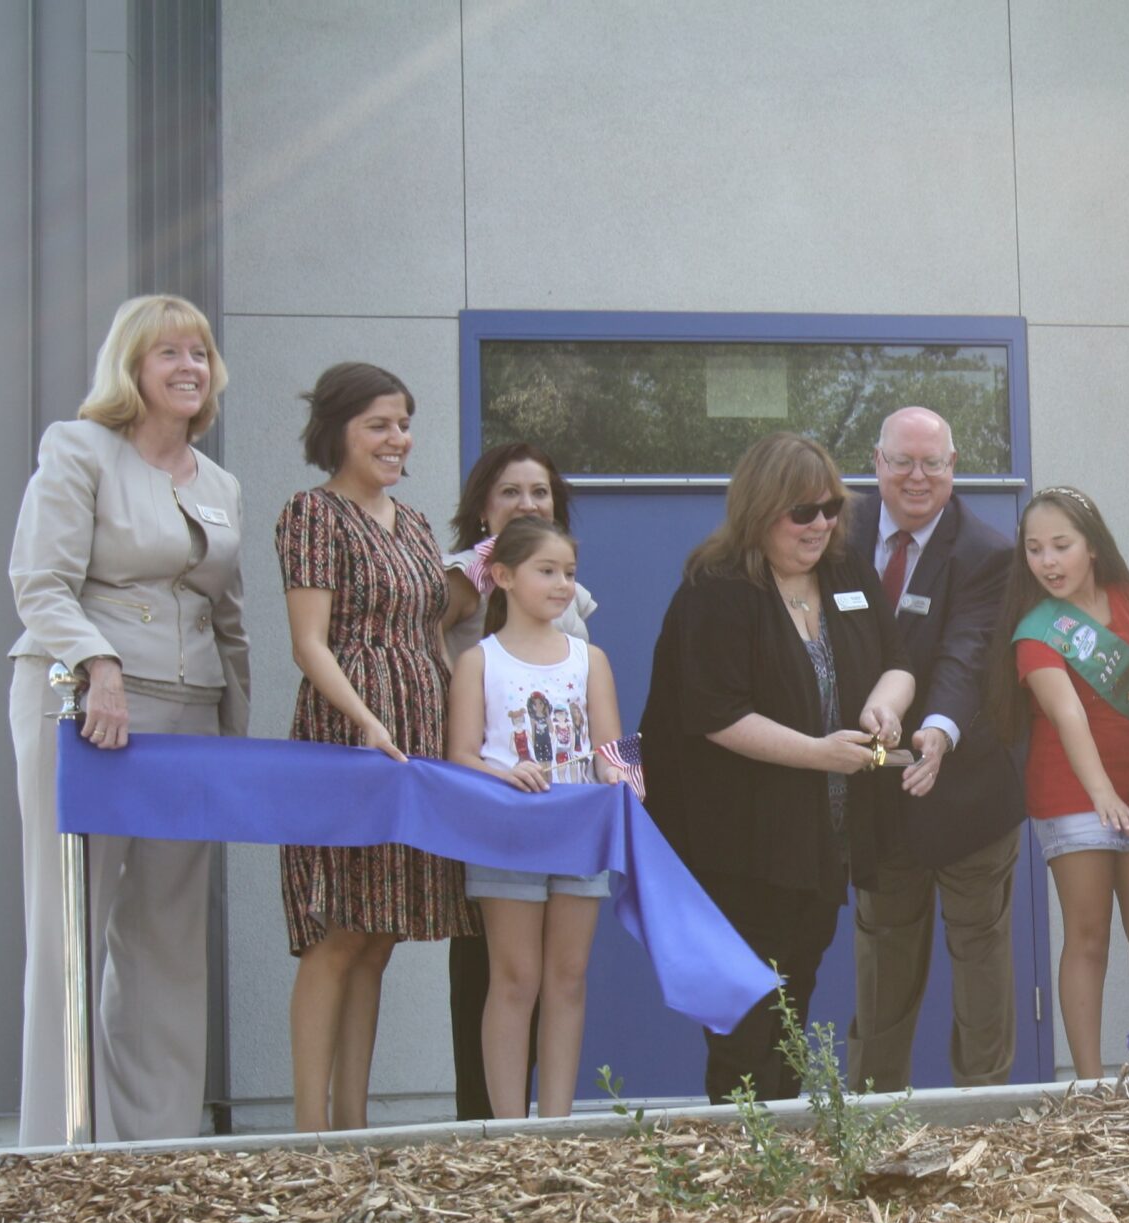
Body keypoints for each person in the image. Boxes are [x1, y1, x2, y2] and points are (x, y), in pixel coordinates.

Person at [7, 293, 249, 1145]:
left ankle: (161, 1142)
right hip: (85, 706)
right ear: (132, 369)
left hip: (190, 715)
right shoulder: (78, 450)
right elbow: (39, 582)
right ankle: (65, 1140)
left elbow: (230, 620)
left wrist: (236, 741)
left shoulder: (220, 484)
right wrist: (95, 661)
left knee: (170, 932)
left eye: (199, 352)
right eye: (168, 353)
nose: (189, 367)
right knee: (70, 921)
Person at [640, 432, 915, 1103]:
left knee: (795, 996)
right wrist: (820, 751)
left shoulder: (845, 573)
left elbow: (899, 661)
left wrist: (884, 705)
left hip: (822, 844)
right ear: (760, 510)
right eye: (803, 512)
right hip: (737, 848)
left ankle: (782, 1147)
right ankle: (743, 1160)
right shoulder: (717, 590)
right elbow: (713, 713)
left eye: (830, 507)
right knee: (744, 1016)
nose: (821, 524)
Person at [275, 362, 475, 1133]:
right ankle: (308, 1131)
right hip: (349, 736)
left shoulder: (418, 524)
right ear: (339, 431)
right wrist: (365, 718)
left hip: (416, 737)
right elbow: (308, 644)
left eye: (403, 423)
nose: (398, 439)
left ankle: (355, 1125)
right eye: (379, 425)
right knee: (335, 930)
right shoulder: (312, 514)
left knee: (380, 932)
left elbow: (431, 632)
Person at [845, 407, 1026, 1092]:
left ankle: (987, 1117)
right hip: (878, 794)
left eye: (934, 463)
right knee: (882, 965)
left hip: (969, 795)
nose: (917, 477)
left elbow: (966, 654)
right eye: (902, 461)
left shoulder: (987, 552)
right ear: (877, 461)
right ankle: (871, 1113)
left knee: (979, 964)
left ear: (954, 468)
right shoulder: (839, 532)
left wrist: (938, 730)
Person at [445, 517, 626, 1119]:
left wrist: (626, 783)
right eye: (546, 571)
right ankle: (509, 1128)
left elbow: (612, 751)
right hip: (507, 834)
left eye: (569, 574)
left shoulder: (589, 657)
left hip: (578, 833)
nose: (562, 585)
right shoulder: (479, 660)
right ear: (502, 577)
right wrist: (503, 775)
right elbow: (461, 756)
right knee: (515, 979)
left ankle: (557, 1123)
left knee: (567, 979)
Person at [988, 486, 1129, 1081]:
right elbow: (1068, 716)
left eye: (1061, 545)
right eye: (1035, 549)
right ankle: (1088, 1082)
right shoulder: (1037, 629)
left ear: (1092, 546)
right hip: (1073, 798)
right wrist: (1103, 794)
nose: (1049, 561)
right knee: (1088, 937)